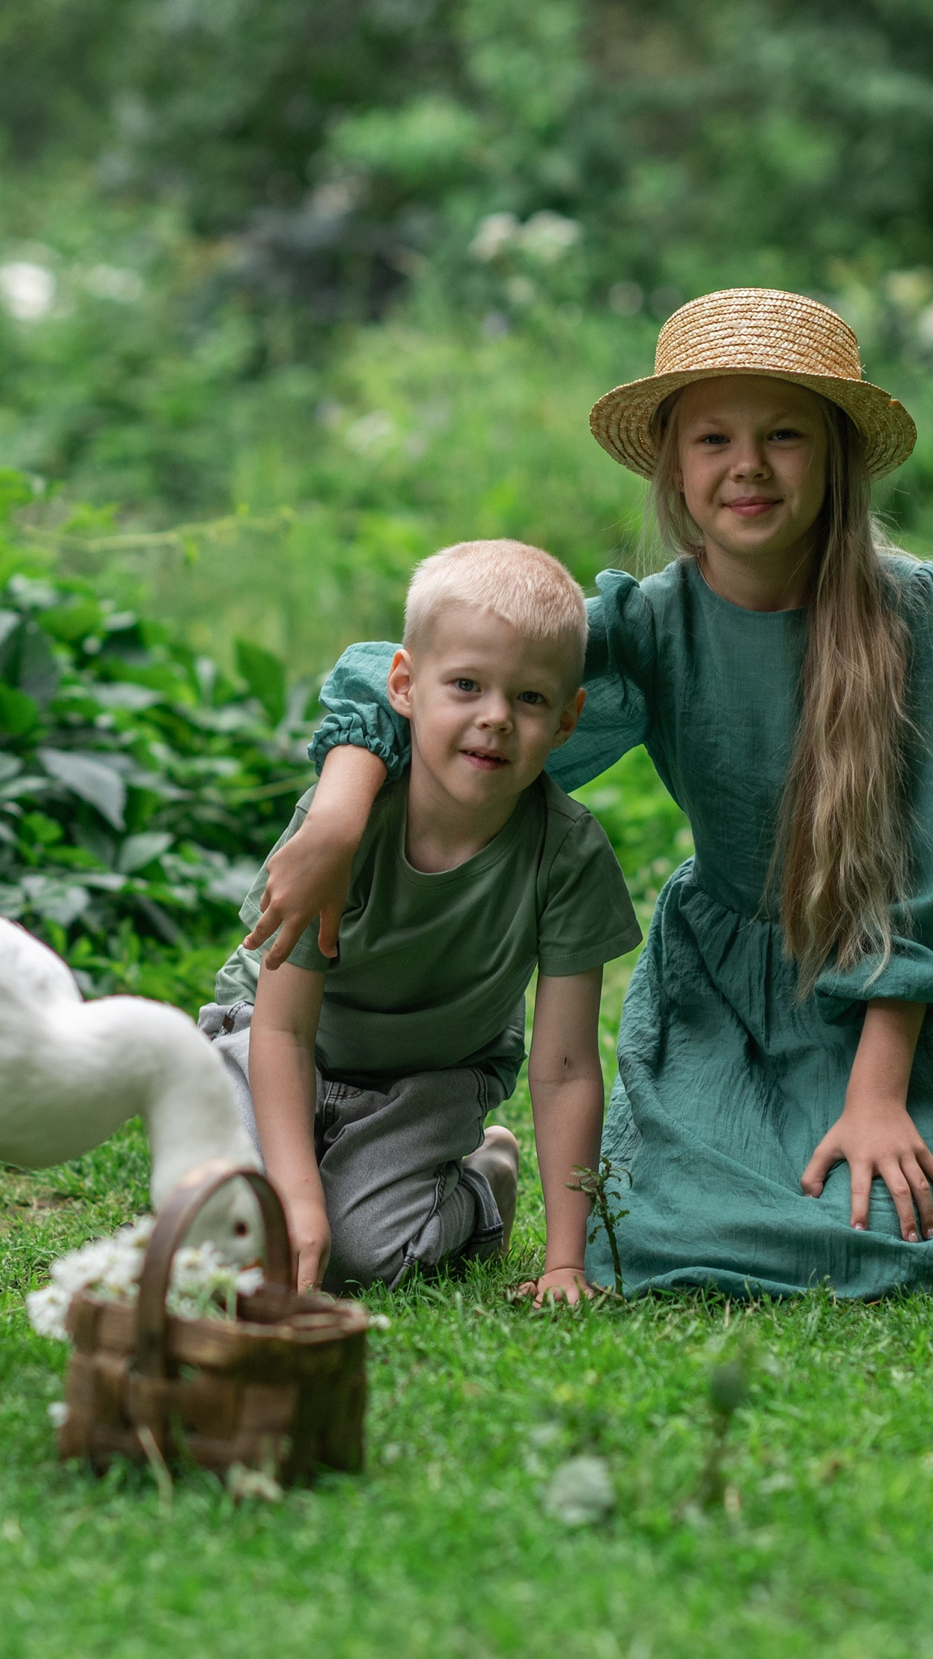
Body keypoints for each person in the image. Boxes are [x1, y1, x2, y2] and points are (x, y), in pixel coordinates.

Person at [246, 288, 933, 1300]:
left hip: (881, 1001)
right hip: (720, 989)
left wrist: (877, 1093)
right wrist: (341, 817)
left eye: (784, 434)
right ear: (672, 467)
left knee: (867, 1238)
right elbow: (397, 666)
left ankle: (861, 1116)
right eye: (712, 438)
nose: (747, 464)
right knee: (645, 1238)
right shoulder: (652, 621)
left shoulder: (916, 611)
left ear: (835, 458)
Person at [201, 539, 643, 1302]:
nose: (495, 718)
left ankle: (482, 1181)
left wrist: (567, 1260)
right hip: (272, 1044)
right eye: (466, 685)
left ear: (569, 717)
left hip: (425, 1079)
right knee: (234, 1225)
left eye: (531, 698)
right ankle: (307, 1178)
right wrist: (299, 1200)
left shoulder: (566, 856)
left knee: (364, 1256)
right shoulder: (349, 822)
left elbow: (567, 1066)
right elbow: (281, 1031)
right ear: (404, 685)